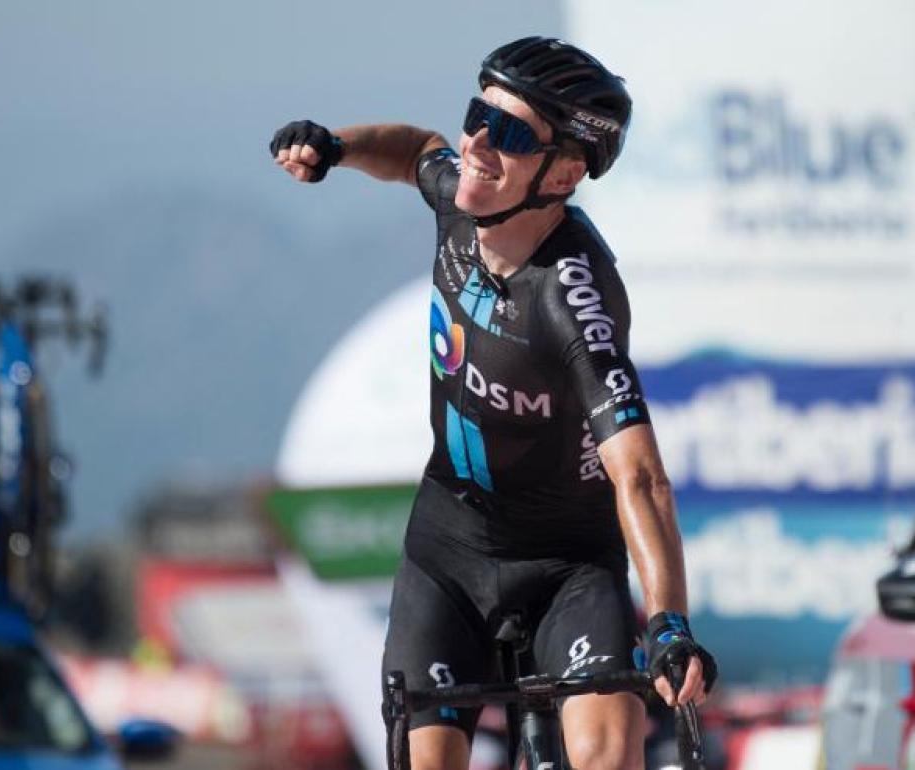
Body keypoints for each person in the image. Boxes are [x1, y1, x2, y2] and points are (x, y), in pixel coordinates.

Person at [270, 36, 716, 770]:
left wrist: (668, 622)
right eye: (480, 115)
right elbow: (418, 151)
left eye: (509, 134)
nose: (478, 143)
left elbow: (638, 475)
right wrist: (336, 146)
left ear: (565, 172)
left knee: (609, 757)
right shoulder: (461, 197)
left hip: (568, 566)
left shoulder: (576, 299)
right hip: (449, 555)